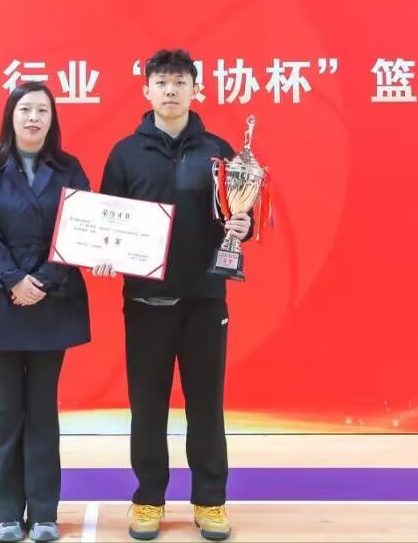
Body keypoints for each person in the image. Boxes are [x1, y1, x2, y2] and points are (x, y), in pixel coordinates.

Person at [97, 49, 252, 542]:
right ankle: (148, 499)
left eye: (180, 81)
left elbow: (237, 215)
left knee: (207, 405)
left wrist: (243, 226)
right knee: (147, 407)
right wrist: (103, 252)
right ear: (146, 90)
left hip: (205, 301)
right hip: (146, 304)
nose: (170, 90)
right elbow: (105, 220)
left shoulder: (219, 150)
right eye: (161, 82)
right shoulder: (125, 153)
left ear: (194, 89)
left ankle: (210, 500)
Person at [0, 81, 94, 543]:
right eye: (25, 110)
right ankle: (5, 514)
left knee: (42, 409)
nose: (34, 118)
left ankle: (43, 513)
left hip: (52, 299)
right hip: (2, 298)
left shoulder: (70, 169)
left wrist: (44, 281)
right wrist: (15, 279)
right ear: (11, 116)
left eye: (42, 110)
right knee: (6, 409)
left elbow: (80, 230)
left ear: (53, 119)